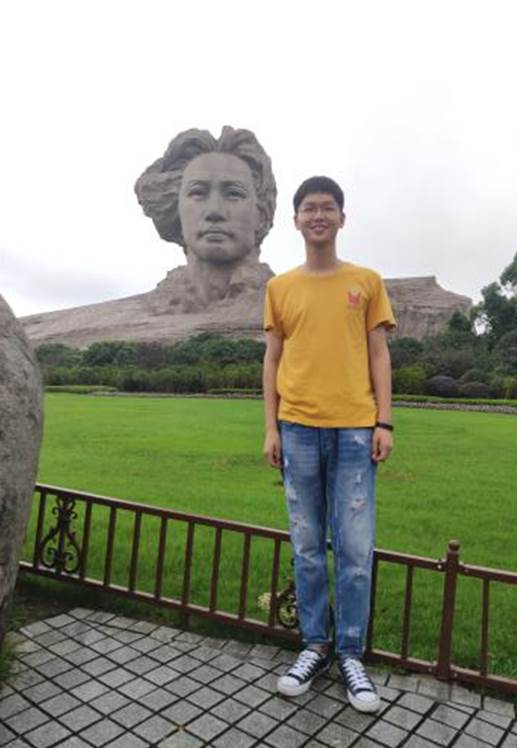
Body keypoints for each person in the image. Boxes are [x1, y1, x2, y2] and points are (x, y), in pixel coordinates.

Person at [262, 176, 395, 713]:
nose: (318, 215)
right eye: (309, 208)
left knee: (356, 550)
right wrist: (271, 428)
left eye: (328, 207)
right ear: (296, 220)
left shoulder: (366, 282)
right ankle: (315, 645)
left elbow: (379, 354)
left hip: (355, 431)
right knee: (308, 546)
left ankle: (351, 654)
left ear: (342, 217)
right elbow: (272, 359)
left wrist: (384, 422)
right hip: (296, 428)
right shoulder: (280, 288)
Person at [135, 127, 277, 310]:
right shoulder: (118, 317)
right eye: (198, 193)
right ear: (175, 208)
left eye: (233, 194)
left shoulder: (290, 307)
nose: (214, 211)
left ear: (262, 214)